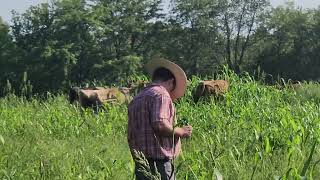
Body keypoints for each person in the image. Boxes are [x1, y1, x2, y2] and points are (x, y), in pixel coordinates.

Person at [127, 58, 193, 180]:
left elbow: (131, 134)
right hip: (159, 165)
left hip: (142, 165)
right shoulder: (161, 95)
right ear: (171, 82)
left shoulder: (136, 99)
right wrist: (181, 131)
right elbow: (160, 124)